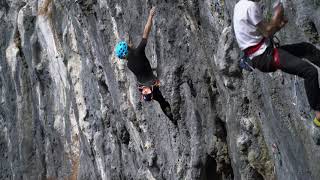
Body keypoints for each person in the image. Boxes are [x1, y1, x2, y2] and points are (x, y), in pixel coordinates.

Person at [233, 0, 320, 126]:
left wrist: (278, 25)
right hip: (265, 56)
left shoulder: (239, 5)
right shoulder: (249, 6)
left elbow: (263, 33)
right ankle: (318, 112)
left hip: (261, 55)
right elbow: (267, 31)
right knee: (310, 72)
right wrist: (277, 15)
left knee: (306, 49)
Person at [114, 7, 175, 125]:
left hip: (145, 89)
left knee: (161, 101)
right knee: (163, 97)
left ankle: (171, 118)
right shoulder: (138, 52)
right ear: (128, 48)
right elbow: (146, 32)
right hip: (153, 83)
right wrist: (150, 16)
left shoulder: (129, 64)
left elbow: (141, 67)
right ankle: (172, 113)